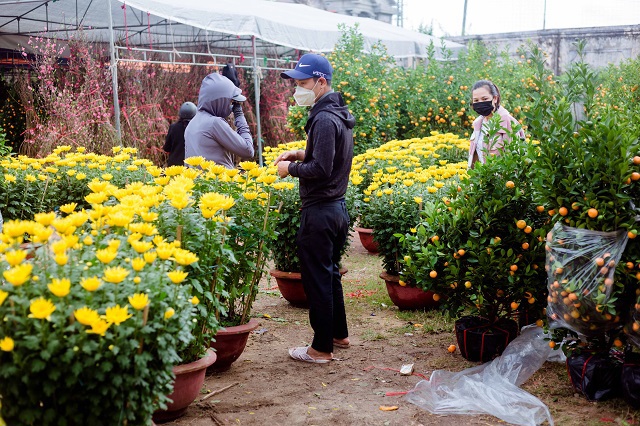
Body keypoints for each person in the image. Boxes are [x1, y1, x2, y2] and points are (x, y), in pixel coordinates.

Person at [275, 53, 355, 364]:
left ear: (321, 82)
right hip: (336, 209)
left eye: (303, 83)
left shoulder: (322, 118)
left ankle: (321, 349)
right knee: (330, 274)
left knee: (318, 279)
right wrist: (299, 152)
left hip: (320, 211)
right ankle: (339, 334)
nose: (297, 90)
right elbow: (327, 154)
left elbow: (321, 168)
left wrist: (290, 170)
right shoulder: (337, 114)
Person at [184, 73, 253, 169]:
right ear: (221, 101)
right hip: (219, 181)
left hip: (199, 182)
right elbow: (248, 150)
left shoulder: (192, 123)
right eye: (230, 101)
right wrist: (239, 115)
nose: (231, 106)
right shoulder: (214, 123)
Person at [468, 79, 525, 169]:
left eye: (484, 99)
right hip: (482, 179)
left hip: (501, 181)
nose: (480, 103)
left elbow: (515, 159)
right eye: (476, 100)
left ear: (495, 98)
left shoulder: (508, 123)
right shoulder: (478, 124)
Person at [163, 101, 196, 167]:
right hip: (190, 166)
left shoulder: (173, 127)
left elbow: (167, 148)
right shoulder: (197, 128)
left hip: (174, 166)